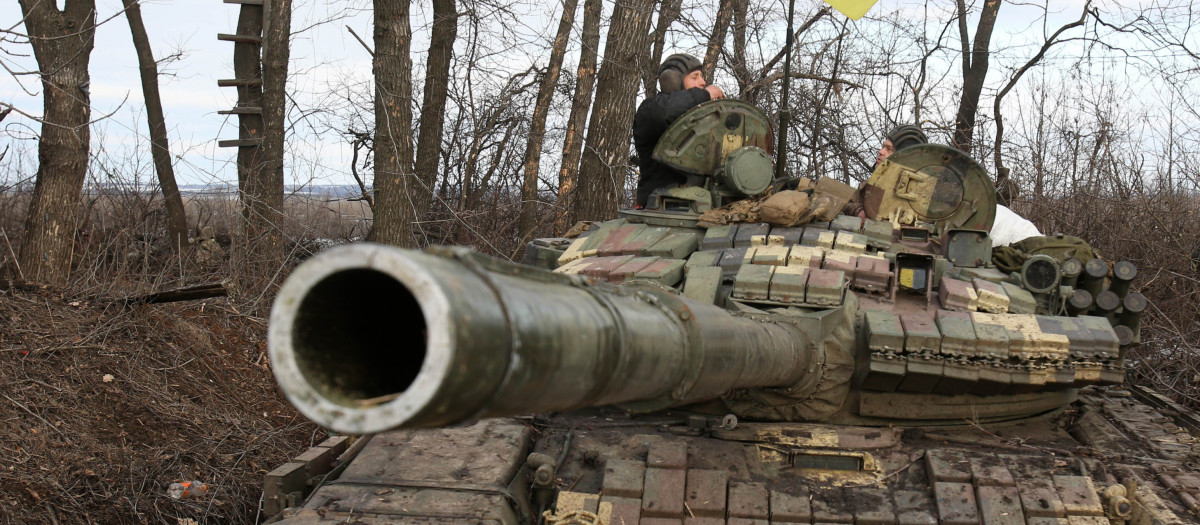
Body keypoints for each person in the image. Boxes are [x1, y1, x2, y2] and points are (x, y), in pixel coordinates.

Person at [633, 53, 726, 207]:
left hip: (703, 206)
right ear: (673, 80)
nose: (703, 82)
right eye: (695, 77)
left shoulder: (705, 119)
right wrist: (705, 94)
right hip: (661, 207)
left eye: (702, 77)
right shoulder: (651, 110)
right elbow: (667, 111)